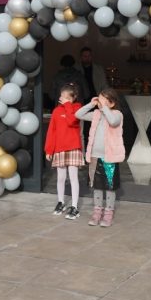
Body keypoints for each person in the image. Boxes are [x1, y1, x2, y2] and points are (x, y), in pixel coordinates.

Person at [77, 88, 124, 227]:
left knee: (109, 186)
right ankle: (97, 212)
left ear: (112, 103)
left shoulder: (117, 114)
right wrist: (91, 104)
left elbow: (113, 122)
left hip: (109, 157)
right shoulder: (96, 114)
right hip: (95, 156)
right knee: (96, 186)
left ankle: (108, 214)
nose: (100, 101)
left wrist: (105, 108)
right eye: (99, 98)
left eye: (104, 99)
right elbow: (78, 114)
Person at [45, 82, 84, 220]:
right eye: (62, 96)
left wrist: (68, 105)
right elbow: (52, 131)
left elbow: (72, 121)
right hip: (60, 148)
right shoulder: (56, 111)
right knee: (60, 178)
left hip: (73, 147)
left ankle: (74, 206)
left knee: (73, 177)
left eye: (67, 97)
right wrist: (49, 149)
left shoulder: (77, 108)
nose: (63, 99)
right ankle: (60, 202)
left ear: (73, 98)